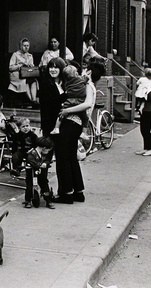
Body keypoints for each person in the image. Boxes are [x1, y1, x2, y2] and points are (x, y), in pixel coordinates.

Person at [53, 61, 105, 204]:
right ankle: (78, 191)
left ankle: (67, 192)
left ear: (89, 72)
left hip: (71, 121)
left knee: (63, 156)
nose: (81, 72)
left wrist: (67, 110)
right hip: (78, 124)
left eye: (84, 70)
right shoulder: (84, 85)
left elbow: (87, 104)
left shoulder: (87, 86)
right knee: (71, 157)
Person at [50, 65, 89, 135]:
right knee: (85, 118)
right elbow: (86, 78)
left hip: (69, 101)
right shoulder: (81, 80)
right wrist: (85, 73)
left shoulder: (67, 83)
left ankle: (56, 128)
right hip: (79, 101)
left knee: (61, 114)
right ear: (76, 74)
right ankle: (84, 133)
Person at [38, 57, 68, 137]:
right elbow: (48, 102)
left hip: (65, 120)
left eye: (56, 67)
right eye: (51, 67)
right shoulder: (45, 83)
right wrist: (65, 96)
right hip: (50, 120)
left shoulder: (65, 83)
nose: (53, 70)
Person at [135, 67, 151, 157]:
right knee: (144, 128)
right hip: (148, 109)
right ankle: (146, 148)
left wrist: (143, 92)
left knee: (146, 129)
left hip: (149, 109)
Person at [24, 136, 55, 209]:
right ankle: (28, 200)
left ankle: (48, 200)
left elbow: (47, 160)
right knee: (29, 186)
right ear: (44, 148)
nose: (48, 152)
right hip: (32, 172)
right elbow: (31, 161)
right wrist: (40, 165)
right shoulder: (32, 153)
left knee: (44, 184)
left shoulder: (43, 154)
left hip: (41, 173)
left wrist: (46, 163)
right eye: (48, 150)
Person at [7, 38, 39, 107]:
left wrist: (31, 66)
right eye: (24, 46)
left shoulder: (30, 56)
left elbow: (32, 68)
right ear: (21, 46)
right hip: (18, 76)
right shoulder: (15, 55)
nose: (26, 47)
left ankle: (34, 100)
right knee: (25, 82)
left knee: (34, 81)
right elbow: (10, 67)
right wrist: (20, 65)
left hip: (27, 74)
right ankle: (31, 101)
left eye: (27, 46)